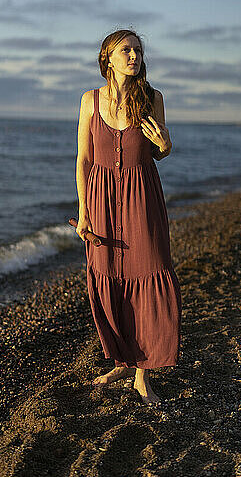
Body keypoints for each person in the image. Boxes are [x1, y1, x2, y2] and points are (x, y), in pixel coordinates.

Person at [75, 28, 182, 405]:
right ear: (107, 57)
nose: (134, 56)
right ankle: (122, 358)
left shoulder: (153, 99)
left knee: (148, 272)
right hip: (102, 200)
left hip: (142, 198)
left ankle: (142, 374)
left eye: (138, 50)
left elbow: (157, 152)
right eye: (126, 50)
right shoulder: (91, 100)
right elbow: (84, 160)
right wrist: (85, 210)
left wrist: (166, 146)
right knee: (110, 276)